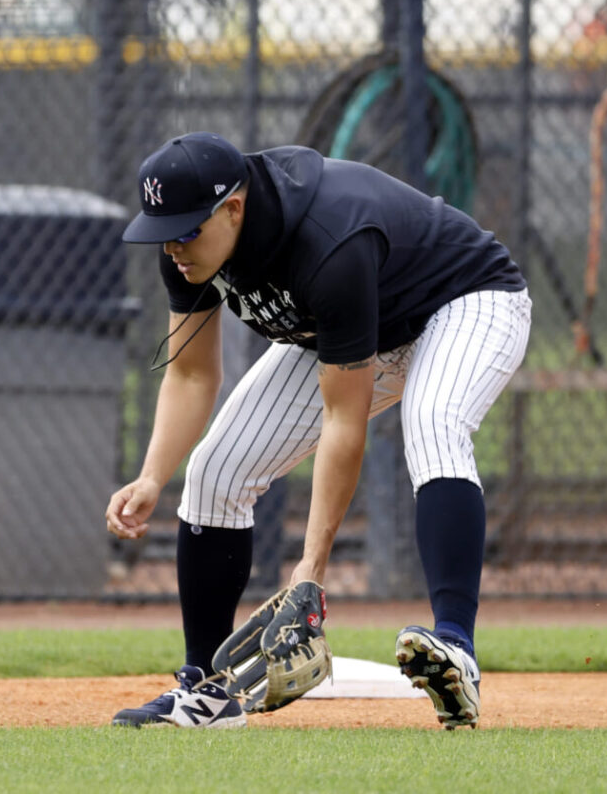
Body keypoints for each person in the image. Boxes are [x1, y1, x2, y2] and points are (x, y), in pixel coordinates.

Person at [105, 132, 531, 730]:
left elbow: (344, 419)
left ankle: (456, 647)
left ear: (233, 208)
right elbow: (191, 375)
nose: (173, 245)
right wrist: (153, 475)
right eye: (163, 230)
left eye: (186, 229)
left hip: (466, 302)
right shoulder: (188, 248)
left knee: (434, 424)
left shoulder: (328, 240)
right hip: (355, 330)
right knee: (215, 471)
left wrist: (311, 569)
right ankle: (207, 692)